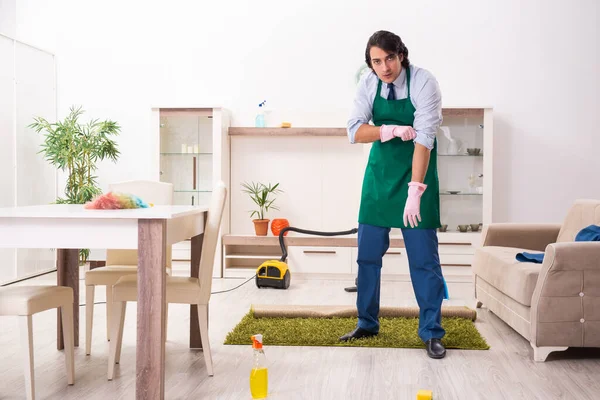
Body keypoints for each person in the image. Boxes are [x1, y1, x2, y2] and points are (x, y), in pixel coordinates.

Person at [340, 30, 447, 359]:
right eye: (376, 61)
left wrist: (415, 191)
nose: (384, 67)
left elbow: (425, 138)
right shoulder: (369, 83)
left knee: (423, 260)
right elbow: (355, 131)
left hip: (417, 173)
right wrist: (388, 130)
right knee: (367, 255)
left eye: (389, 58)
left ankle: (431, 332)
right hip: (380, 176)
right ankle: (367, 323)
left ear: (401, 54)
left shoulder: (425, 82)